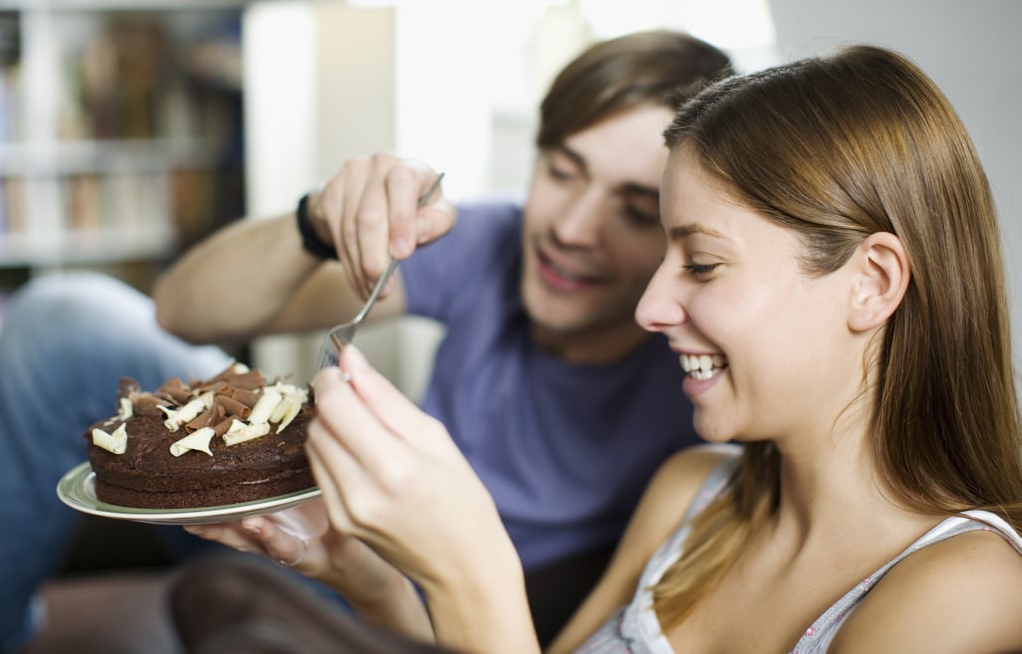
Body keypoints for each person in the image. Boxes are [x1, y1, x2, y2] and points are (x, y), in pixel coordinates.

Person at [181, 44, 1022, 653]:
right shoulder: (694, 496)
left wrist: (476, 567)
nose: (652, 305)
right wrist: (363, 575)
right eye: (664, 257)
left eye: (699, 262)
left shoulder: (965, 592)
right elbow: (183, 303)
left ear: (871, 282)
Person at [0, 30, 733, 652]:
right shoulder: (497, 241)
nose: (571, 229)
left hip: (415, 605)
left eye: (637, 211)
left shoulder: (708, 376)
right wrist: (317, 221)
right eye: (562, 171)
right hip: (318, 515)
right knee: (67, 322)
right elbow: (183, 310)